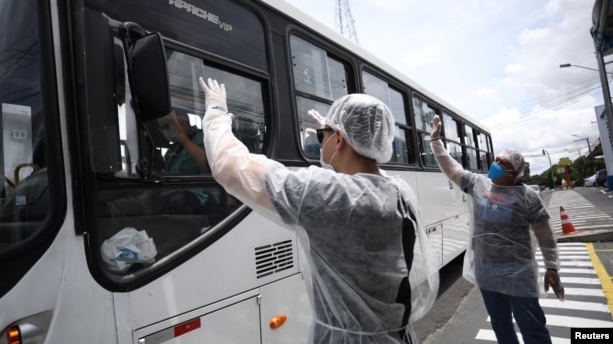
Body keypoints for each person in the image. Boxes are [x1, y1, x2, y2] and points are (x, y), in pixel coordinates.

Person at [199, 77, 438, 344]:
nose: (319, 141)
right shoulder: (399, 190)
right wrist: (336, 138)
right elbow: (359, 180)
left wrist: (216, 114)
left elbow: (230, 167)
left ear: (339, 139)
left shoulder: (328, 195)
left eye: (324, 136)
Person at [429, 114, 564, 344]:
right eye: (497, 160)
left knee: (533, 329)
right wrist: (436, 142)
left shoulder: (528, 197)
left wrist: (552, 268)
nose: (496, 164)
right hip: (487, 275)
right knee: (501, 328)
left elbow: (546, 234)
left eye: (504, 164)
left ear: (515, 173)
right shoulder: (478, 184)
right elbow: (451, 168)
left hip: (519, 276)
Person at [157, 108, 208, 175]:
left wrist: (184, 140)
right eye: (162, 129)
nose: (164, 131)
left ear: (181, 122)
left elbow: (211, 166)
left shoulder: (205, 138)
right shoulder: (170, 151)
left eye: (166, 127)